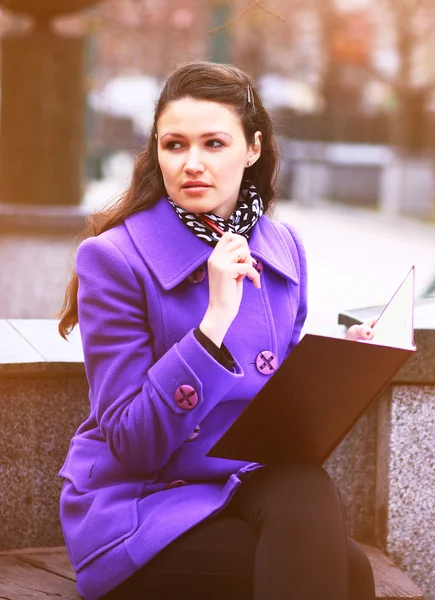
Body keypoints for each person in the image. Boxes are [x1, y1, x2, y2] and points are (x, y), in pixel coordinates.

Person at [58, 60, 376, 600]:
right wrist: (213, 326)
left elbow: (281, 416)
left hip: (237, 486)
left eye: (214, 144)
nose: (192, 164)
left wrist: (338, 370)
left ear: (252, 148)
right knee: (341, 570)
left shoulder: (282, 250)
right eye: (175, 145)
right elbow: (135, 444)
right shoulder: (113, 260)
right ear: (155, 151)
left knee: (313, 502)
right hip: (142, 502)